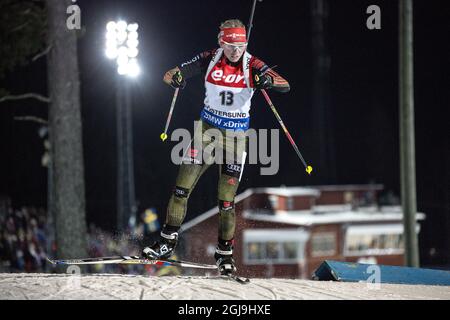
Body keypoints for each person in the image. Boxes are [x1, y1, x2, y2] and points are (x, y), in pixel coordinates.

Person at [143, 19, 290, 275]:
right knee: (180, 190)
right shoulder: (210, 57)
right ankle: (167, 243)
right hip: (206, 133)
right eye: (231, 45)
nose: (236, 50)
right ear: (221, 41)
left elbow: (284, 84)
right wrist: (175, 79)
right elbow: (170, 74)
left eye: (241, 45)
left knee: (226, 204)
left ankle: (224, 256)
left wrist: (266, 80)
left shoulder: (251, 63)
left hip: (235, 138)